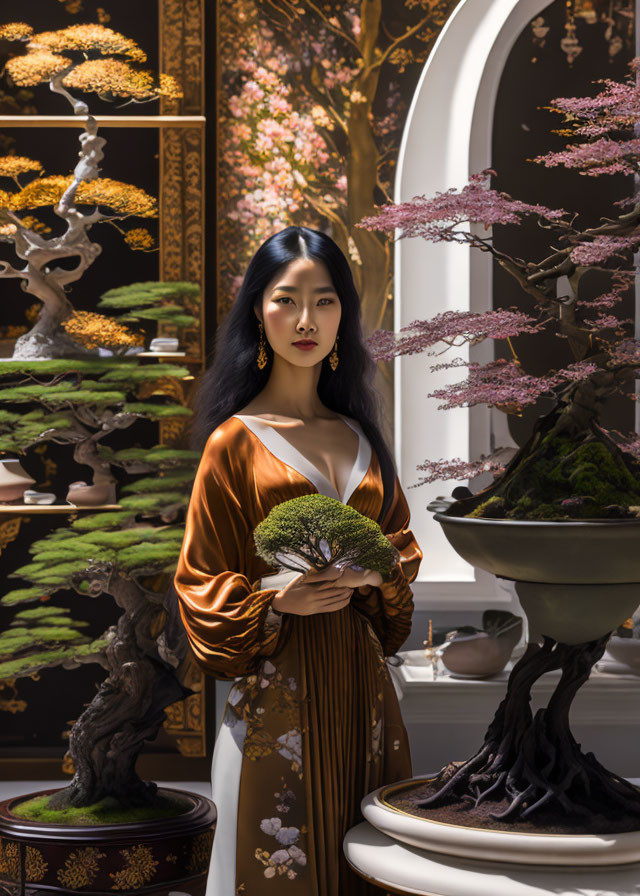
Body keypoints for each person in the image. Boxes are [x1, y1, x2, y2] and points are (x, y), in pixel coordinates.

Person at [173, 225, 423, 895]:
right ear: (258, 311)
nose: (306, 319)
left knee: (372, 866)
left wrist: (376, 573)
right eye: (287, 299)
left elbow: (399, 546)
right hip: (275, 702)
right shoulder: (235, 444)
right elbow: (199, 581)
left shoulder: (361, 435)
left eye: (326, 300)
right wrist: (275, 599)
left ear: (345, 313)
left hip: (366, 700)